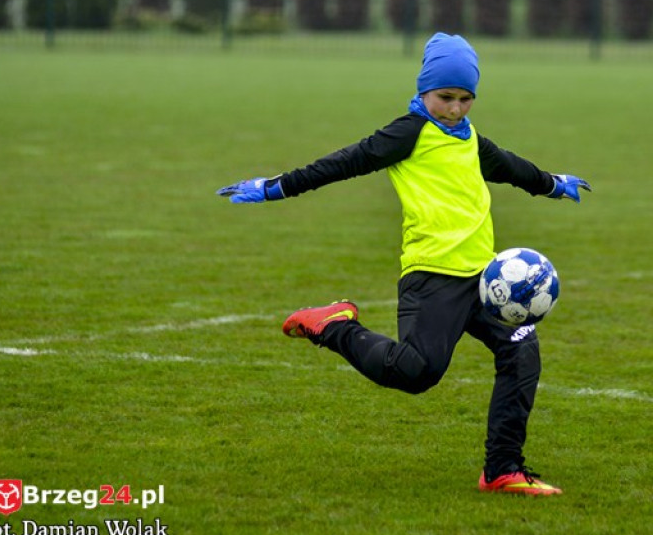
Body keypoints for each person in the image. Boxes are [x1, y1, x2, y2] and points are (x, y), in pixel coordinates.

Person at [217, 33, 590, 496]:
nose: (455, 109)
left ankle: (502, 470)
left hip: (484, 279)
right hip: (432, 275)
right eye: (445, 98)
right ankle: (334, 325)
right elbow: (344, 163)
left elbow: (511, 168)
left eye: (465, 99)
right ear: (424, 91)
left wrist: (552, 184)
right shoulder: (408, 133)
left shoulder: (469, 138)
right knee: (415, 373)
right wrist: (276, 186)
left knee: (521, 352)